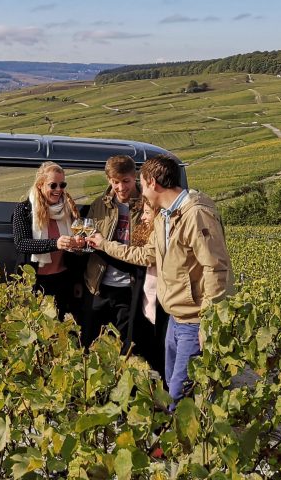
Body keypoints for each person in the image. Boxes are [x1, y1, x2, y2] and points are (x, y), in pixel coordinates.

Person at [87, 154, 233, 407]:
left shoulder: (195, 214)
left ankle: (180, 444)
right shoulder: (166, 216)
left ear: (152, 182)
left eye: (140, 183)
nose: (139, 190)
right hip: (175, 319)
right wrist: (104, 246)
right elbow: (146, 255)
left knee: (179, 394)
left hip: (195, 321)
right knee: (170, 388)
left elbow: (216, 269)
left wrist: (209, 323)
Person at [82, 155, 143, 349]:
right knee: (91, 342)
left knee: (126, 345)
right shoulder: (99, 205)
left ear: (135, 177)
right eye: (115, 182)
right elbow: (87, 241)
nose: (121, 187)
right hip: (98, 285)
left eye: (126, 181)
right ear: (109, 180)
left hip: (129, 287)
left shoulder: (148, 206)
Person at [12, 162, 85, 320]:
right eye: (53, 185)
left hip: (63, 280)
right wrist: (55, 243)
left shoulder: (68, 209)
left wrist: (78, 244)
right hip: (34, 282)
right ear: (40, 185)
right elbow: (22, 243)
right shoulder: (24, 210)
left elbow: (76, 249)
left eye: (62, 184)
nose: (58, 190)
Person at [129, 199, 167, 377]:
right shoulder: (144, 238)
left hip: (162, 315)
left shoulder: (165, 243)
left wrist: (104, 245)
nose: (142, 217)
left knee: (163, 364)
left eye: (147, 213)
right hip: (145, 313)